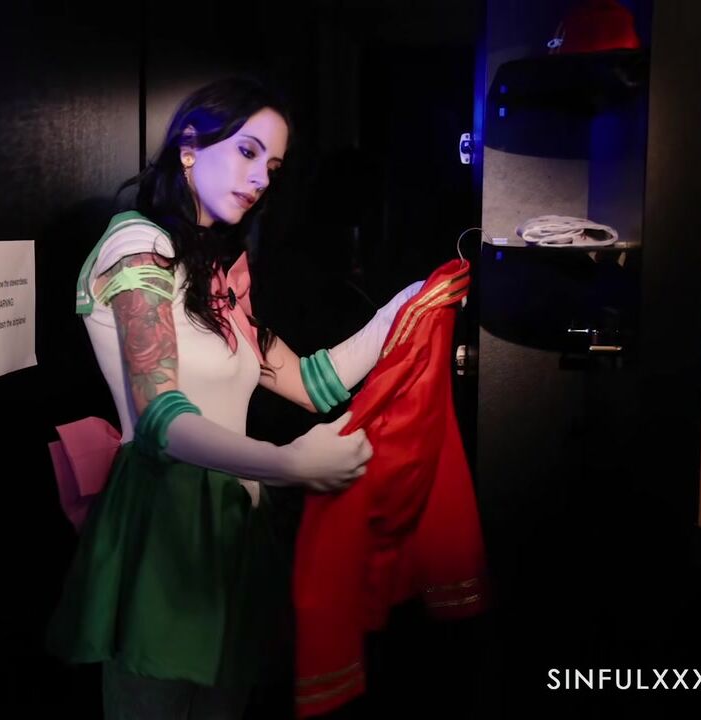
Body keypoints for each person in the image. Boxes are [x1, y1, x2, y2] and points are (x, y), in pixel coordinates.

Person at [46, 76, 424, 719]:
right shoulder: (136, 245)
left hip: (232, 519)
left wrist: (411, 304)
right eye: (248, 151)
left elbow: (312, 383)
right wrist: (288, 464)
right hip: (166, 518)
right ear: (189, 147)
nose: (259, 179)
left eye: (271, 167)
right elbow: (161, 417)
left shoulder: (215, 271)